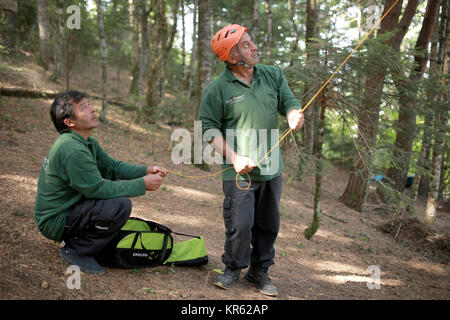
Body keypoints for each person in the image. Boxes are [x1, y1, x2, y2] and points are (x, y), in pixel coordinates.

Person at [199, 24, 304, 296]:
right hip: (238, 173)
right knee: (240, 223)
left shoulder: (273, 75)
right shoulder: (217, 89)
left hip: (271, 170)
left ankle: (260, 271)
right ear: (232, 57)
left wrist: (294, 114)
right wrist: (233, 158)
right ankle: (233, 268)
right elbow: (208, 128)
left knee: (269, 223)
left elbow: (290, 102)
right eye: (246, 45)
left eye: (251, 41)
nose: (254, 46)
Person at [34, 90, 168, 274]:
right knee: (119, 205)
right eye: (84, 107)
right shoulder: (72, 149)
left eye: (89, 104)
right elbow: (97, 188)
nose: (93, 109)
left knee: (114, 204)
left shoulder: (85, 142)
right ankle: (76, 251)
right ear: (70, 122)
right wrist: (142, 184)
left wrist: (146, 170)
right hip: (55, 220)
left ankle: (80, 242)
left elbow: (112, 167)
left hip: (69, 209)